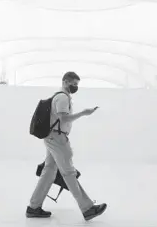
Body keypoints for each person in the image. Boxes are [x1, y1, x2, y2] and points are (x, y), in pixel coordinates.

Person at [26, 71, 107, 221]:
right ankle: (88, 208)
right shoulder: (62, 97)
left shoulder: (61, 97)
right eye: (73, 84)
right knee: (69, 173)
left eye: (77, 84)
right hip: (57, 139)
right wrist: (84, 113)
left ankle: (33, 207)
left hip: (52, 137)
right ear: (65, 82)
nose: (75, 87)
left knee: (49, 172)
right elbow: (63, 118)